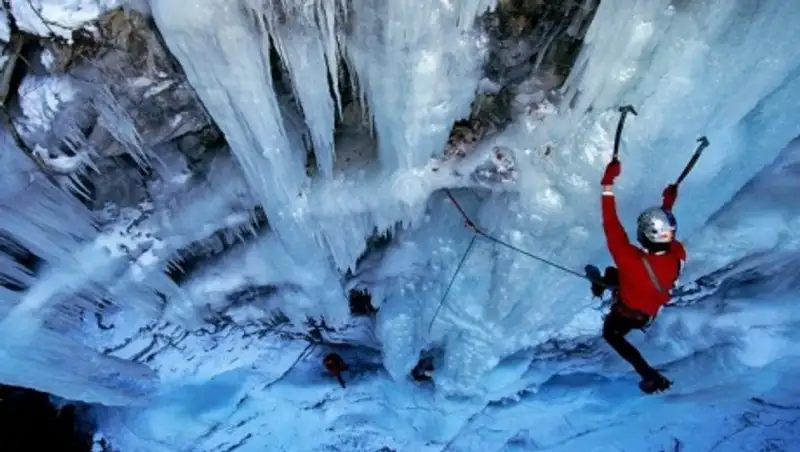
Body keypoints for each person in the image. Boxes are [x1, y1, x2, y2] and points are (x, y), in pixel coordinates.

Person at [594, 158, 686, 394]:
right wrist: (667, 205)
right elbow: (665, 235)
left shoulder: (630, 259)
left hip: (628, 307)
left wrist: (608, 183)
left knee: (610, 332)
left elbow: (611, 222)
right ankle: (648, 375)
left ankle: (649, 374)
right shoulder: (677, 254)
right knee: (616, 280)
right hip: (643, 313)